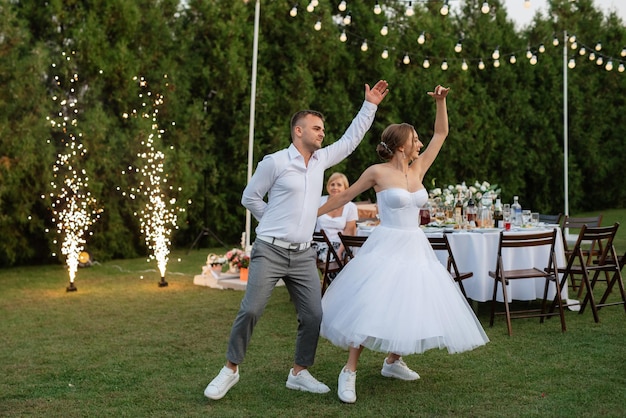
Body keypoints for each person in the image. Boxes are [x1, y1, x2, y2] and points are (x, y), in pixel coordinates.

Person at [203, 79, 390, 400]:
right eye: (316, 128)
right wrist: (273, 221)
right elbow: (250, 197)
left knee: (314, 315)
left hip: (304, 255)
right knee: (251, 310)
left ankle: (299, 372)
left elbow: (351, 140)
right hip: (270, 250)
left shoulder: (320, 161)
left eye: (323, 129)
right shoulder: (274, 162)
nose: (322, 133)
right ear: (298, 131)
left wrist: (369, 105)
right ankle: (229, 370)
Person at [316, 85, 489, 404]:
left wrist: (441, 102)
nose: (420, 143)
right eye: (415, 140)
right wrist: (306, 214)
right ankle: (349, 371)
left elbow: (441, 133)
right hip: (386, 247)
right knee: (372, 304)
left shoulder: (419, 168)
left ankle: (393, 361)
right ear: (400, 146)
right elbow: (343, 196)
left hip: (415, 247)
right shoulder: (377, 172)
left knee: (410, 302)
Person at [313, 172, 358, 270]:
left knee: (345, 259)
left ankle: (333, 283)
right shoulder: (319, 201)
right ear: (328, 186)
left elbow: (349, 231)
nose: (335, 187)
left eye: (339, 185)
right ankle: (333, 283)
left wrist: (340, 251)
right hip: (320, 244)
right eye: (332, 184)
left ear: (345, 188)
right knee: (330, 258)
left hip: (341, 244)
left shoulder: (351, 207)